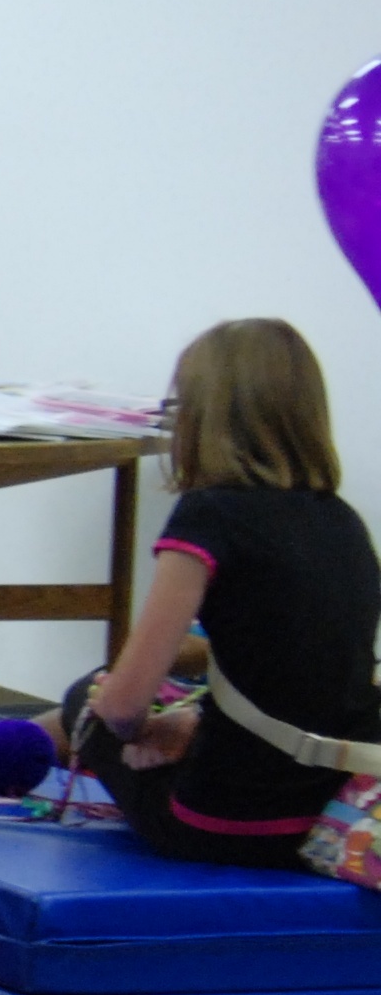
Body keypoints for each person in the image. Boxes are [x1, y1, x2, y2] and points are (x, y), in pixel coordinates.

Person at [50, 320, 376, 867]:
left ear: (201, 418)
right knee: (186, 702)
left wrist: (147, 731)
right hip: (324, 814)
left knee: (87, 697)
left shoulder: (208, 516)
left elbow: (126, 705)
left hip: (223, 819)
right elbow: (297, 666)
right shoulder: (345, 522)